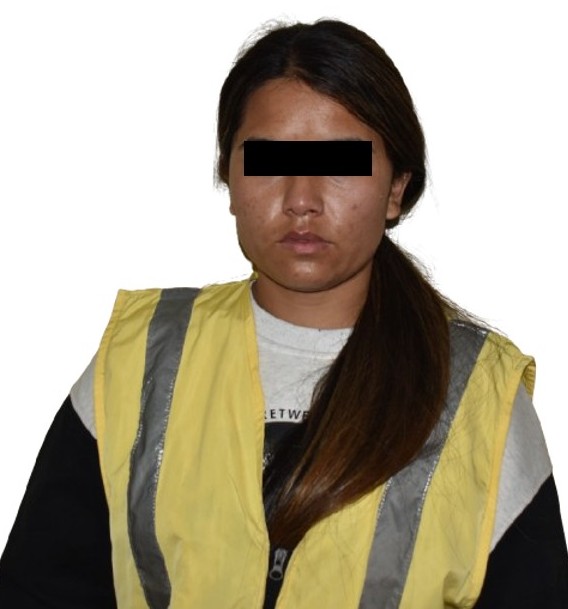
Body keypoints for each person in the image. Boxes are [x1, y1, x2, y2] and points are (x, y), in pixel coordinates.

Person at [1, 18, 567, 609]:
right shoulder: (139, 362)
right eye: (268, 161)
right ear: (228, 175)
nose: (301, 200)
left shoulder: (479, 395)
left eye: (341, 163)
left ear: (397, 188)